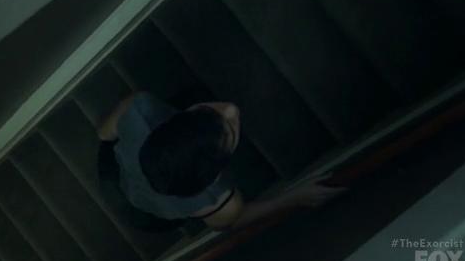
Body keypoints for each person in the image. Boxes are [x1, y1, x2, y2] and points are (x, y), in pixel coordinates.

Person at [96, 92, 347, 232]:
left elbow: (104, 134)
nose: (231, 109)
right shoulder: (218, 202)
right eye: (229, 131)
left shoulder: (139, 112)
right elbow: (231, 221)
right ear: (214, 175)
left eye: (204, 112)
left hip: (113, 169)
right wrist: (293, 198)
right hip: (143, 214)